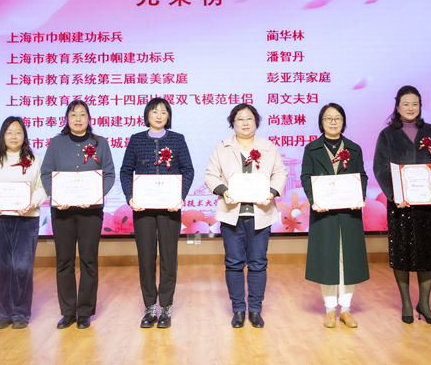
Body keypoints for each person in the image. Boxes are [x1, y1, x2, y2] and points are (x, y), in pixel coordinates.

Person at [373, 85, 431, 326]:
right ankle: (406, 302)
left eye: (415, 104)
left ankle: (424, 304)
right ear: (397, 107)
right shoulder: (387, 135)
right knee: (402, 253)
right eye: (405, 104)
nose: (410, 108)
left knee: (429, 252)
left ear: (420, 106)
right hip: (400, 205)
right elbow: (380, 168)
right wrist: (394, 194)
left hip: (429, 206)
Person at [205, 103, 287, 329]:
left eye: (249, 118)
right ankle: (238, 310)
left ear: (256, 122)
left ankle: (256, 310)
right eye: (239, 119)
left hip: (261, 214)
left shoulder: (268, 147)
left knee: (258, 263)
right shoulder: (222, 148)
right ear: (232, 123)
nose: (244, 123)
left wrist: (272, 192)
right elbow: (210, 175)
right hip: (232, 215)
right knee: (233, 263)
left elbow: (280, 173)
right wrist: (223, 191)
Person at [120, 98, 195, 329]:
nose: (159, 115)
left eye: (163, 112)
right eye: (154, 111)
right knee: (146, 258)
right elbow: (125, 171)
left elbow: (188, 170)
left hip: (170, 209)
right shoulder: (136, 139)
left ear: (168, 116)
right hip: (142, 209)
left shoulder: (177, 139)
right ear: (147, 115)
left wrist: (180, 196)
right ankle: (150, 307)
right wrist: (130, 197)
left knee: (169, 258)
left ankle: (166, 307)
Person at [41, 100, 115, 329]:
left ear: (89, 118)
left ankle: (84, 311)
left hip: (90, 212)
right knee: (64, 261)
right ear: (67, 118)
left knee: (88, 260)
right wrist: (56, 196)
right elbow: (46, 173)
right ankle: (67, 312)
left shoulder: (100, 143)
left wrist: (95, 196)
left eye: (82, 114)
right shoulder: (56, 143)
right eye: (73, 115)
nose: (78, 119)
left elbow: (109, 174)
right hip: (62, 212)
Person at [301, 103, 369, 329]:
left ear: (343, 121)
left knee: (348, 261)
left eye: (337, 118)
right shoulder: (311, 149)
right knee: (327, 260)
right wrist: (315, 200)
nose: (333, 122)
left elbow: (362, 176)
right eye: (328, 118)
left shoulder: (354, 148)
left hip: (349, 213)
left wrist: (359, 196)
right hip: (324, 214)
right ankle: (330, 310)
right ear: (321, 122)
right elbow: (306, 177)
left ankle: (346, 310)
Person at [0, 116, 47, 330]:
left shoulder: (34, 160)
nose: (13, 136)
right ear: (2, 136)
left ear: (24, 135)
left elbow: (43, 187)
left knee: (22, 267)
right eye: (9, 132)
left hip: (26, 220)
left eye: (18, 132)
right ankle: (2, 314)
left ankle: (20, 314)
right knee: (2, 268)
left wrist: (30, 203)